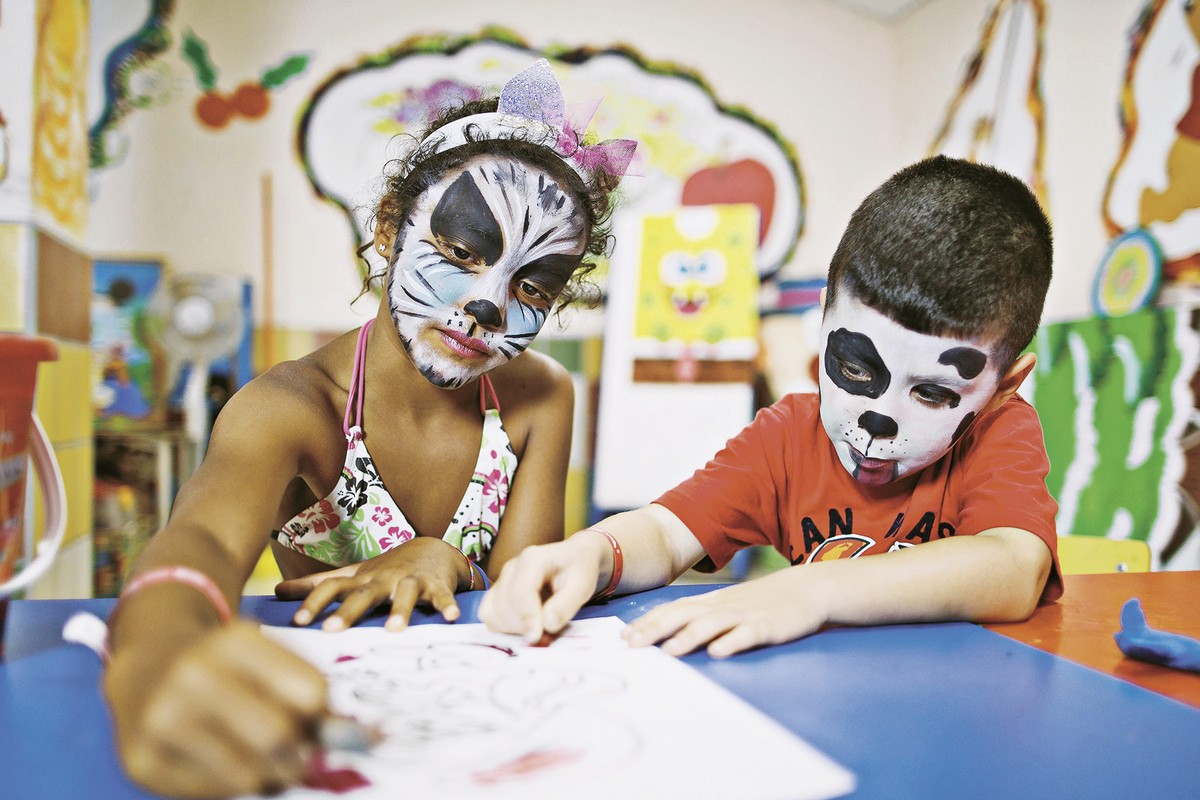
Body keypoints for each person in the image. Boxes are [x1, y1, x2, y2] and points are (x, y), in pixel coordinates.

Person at [102, 59, 636, 798]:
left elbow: (525, 593)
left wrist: (448, 561)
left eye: (530, 286)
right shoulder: (292, 407)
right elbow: (200, 540)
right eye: (460, 253)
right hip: (331, 733)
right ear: (391, 225)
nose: (487, 305)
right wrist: (158, 648)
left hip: (489, 738)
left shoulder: (540, 398)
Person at [480, 155, 1062, 662]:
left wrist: (810, 590)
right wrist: (591, 553)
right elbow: (664, 532)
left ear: (1005, 385)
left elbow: (1013, 566)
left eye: (932, 392)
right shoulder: (790, 437)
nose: (876, 420)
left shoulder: (999, 431)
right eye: (857, 369)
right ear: (825, 321)